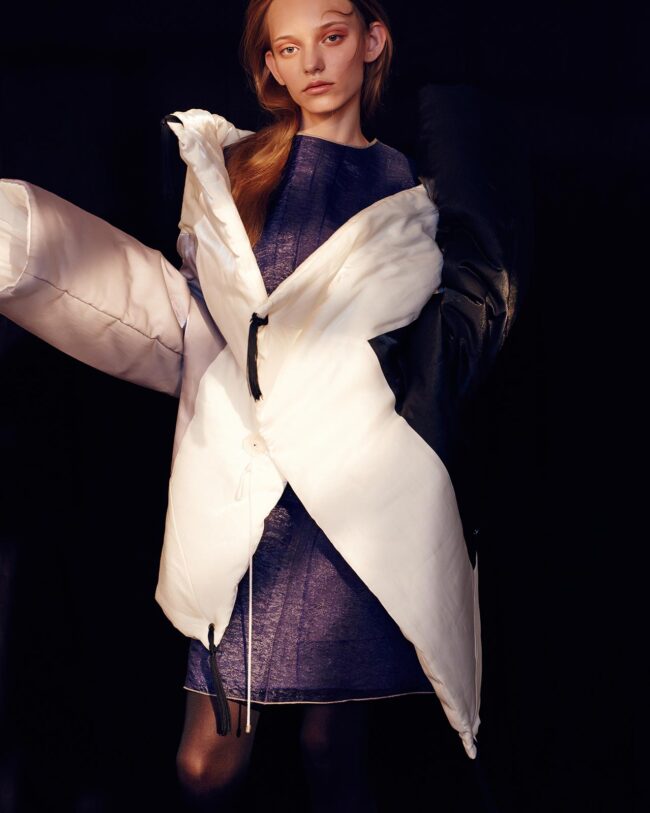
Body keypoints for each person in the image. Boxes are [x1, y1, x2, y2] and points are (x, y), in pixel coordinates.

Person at [0, 0, 532, 810]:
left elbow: (433, 339)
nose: (311, 63)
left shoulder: (408, 192)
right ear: (270, 65)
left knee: (331, 751)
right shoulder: (239, 167)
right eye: (288, 47)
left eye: (331, 37)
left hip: (346, 498)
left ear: (372, 41)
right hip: (246, 494)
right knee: (205, 763)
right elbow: (198, 319)